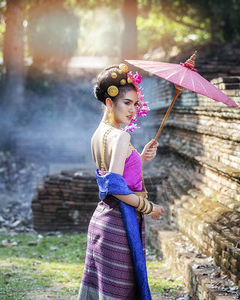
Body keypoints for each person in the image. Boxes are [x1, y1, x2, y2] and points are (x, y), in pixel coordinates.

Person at [78, 63, 165, 299]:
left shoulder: (100, 133)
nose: (133, 110)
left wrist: (139, 159)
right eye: (127, 103)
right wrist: (150, 208)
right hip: (118, 225)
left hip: (101, 223)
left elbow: (113, 172)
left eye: (135, 104)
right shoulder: (121, 135)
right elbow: (115, 187)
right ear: (109, 103)